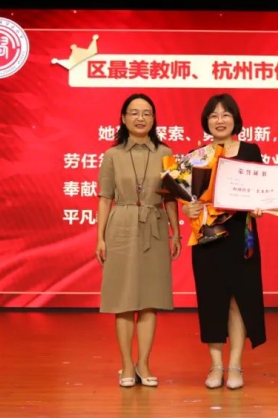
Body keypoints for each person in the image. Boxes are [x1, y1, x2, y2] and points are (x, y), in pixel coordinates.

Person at [95, 93, 182, 388]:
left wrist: (176, 232)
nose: (140, 118)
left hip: (154, 225)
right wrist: (100, 238)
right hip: (120, 226)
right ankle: (126, 365)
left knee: (149, 300)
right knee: (123, 300)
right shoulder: (112, 155)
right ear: (123, 118)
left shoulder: (166, 153)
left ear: (154, 119)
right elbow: (105, 198)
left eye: (146, 113)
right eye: (134, 112)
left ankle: (143, 363)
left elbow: (171, 198)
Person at [182, 93, 266, 390]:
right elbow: (188, 199)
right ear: (206, 121)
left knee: (238, 301)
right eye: (214, 115)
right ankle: (216, 365)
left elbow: (262, 190)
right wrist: (188, 209)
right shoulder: (196, 156)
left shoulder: (251, 151)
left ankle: (235, 366)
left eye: (225, 114)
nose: (220, 120)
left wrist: (261, 205)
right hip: (208, 236)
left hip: (242, 236)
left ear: (235, 120)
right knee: (211, 300)